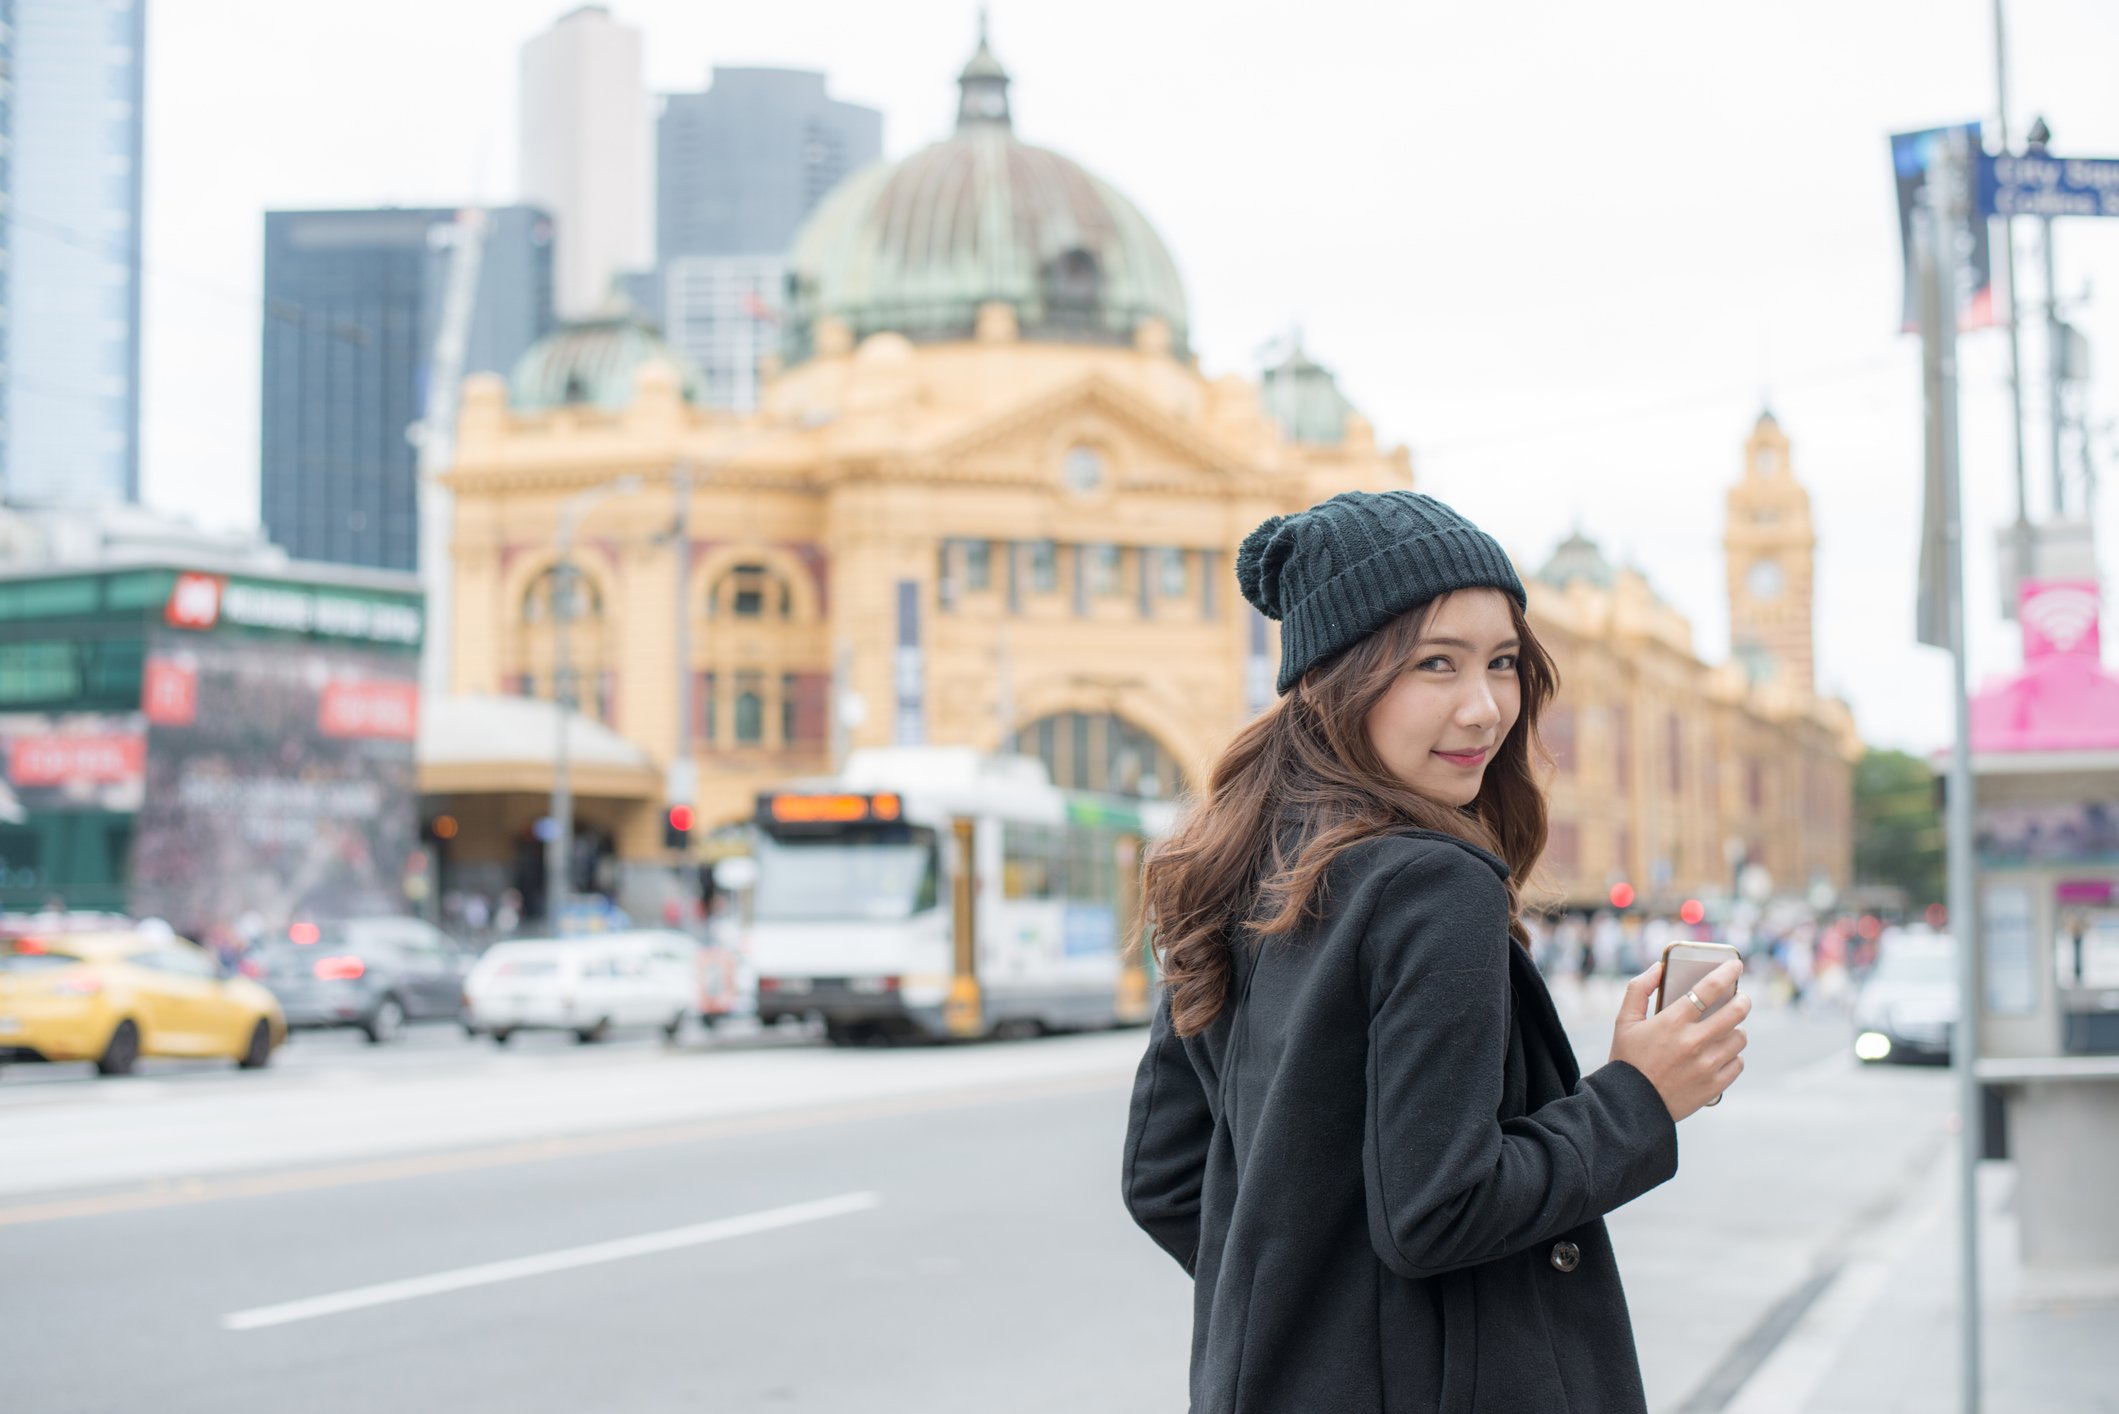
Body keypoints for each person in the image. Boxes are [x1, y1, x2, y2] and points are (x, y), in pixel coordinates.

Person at [1121, 492, 1748, 1414]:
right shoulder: (1429, 883)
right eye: (1433, 665)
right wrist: (1638, 1098)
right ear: (1338, 677)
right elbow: (1442, 1207)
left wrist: (1308, 1316)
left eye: (1501, 663)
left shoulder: (1233, 862)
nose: (1483, 708)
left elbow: (1164, 1177)